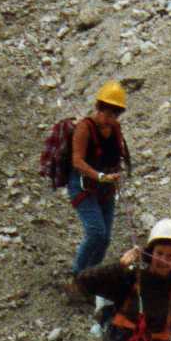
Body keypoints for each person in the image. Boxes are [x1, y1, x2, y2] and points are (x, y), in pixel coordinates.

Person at [66, 81, 131, 291]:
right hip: (83, 186)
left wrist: (114, 174)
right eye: (107, 111)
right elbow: (77, 161)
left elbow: (118, 153)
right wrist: (100, 176)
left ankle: (91, 278)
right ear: (99, 107)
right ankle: (77, 277)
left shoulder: (115, 129)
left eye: (115, 113)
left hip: (105, 188)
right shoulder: (84, 128)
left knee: (104, 239)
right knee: (96, 233)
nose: (110, 117)